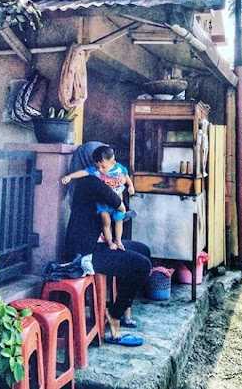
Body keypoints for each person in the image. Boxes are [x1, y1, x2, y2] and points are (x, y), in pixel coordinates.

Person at [63, 145, 151, 346]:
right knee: (141, 266)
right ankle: (114, 314)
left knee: (142, 250)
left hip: (101, 244)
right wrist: (119, 197)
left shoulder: (97, 181)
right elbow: (119, 204)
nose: (105, 167)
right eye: (100, 164)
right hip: (85, 252)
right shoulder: (89, 182)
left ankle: (119, 306)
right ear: (91, 163)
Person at [61, 145, 135, 251]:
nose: (100, 170)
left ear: (112, 161)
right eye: (98, 167)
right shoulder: (94, 174)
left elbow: (126, 176)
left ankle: (118, 240)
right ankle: (110, 242)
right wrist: (70, 176)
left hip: (116, 204)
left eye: (103, 167)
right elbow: (84, 172)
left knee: (119, 220)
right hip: (103, 206)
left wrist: (131, 186)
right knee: (106, 221)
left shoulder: (118, 169)